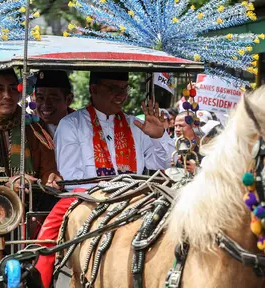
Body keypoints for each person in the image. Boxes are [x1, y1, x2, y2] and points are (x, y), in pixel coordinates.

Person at [36, 71, 175, 288]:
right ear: (94, 89)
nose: (120, 95)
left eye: (124, 89)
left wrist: (158, 136)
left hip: (135, 199)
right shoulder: (71, 124)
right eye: (113, 89)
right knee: (47, 238)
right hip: (87, 200)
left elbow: (163, 164)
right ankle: (41, 279)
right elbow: (73, 178)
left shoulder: (136, 125)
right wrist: (113, 195)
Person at [0, 69, 62, 206]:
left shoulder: (34, 129)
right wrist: (6, 184)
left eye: (13, 89)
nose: (7, 95)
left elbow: (48, 170)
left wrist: (51, 178)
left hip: (26, 212)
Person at [34, 70, 75, 137]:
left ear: (68, 100)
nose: (45, 104)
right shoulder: (31, 128)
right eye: (40, 98)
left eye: (53, 98)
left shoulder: (80, 125)